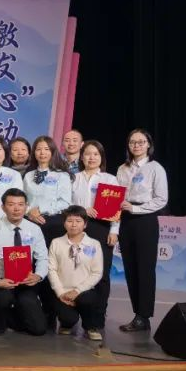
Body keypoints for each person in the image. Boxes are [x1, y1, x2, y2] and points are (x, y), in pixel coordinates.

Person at [116, 129, 168, 333]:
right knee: (130, 268)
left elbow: (161, 199)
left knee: (145, 268)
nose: (136, 145)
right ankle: (138, 315)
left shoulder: (156, 168)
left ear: (148, 145)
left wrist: (136, 209)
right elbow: (117, 195)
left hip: (145, 219)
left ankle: (144, 315)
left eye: (141, 142)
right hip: (125, 219)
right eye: (132, 142)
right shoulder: (122, 168)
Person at [0, 188, 48, 336]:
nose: (16, 209)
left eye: (20, 204)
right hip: (2, 281)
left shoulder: (34, 229)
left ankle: (14, 313)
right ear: (3, 207)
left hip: (26, 281)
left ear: (26, 206)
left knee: (38, 329)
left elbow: (43, 258)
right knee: (3, 298)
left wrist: (38, 276)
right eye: (11, 204)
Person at [72, 140, 120, 329]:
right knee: (76, 270)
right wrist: (84, 209)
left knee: (101, 273)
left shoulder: (109, 179)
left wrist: (114, 230)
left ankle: (98, 317)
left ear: (101, 157)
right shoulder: (74, 178)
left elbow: (116, 210)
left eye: (95, 154)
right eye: (87, 154)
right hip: (77, 229)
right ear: (81, 157)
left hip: (101, 229)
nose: (91, 158)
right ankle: (74, 316)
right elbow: (66, 204)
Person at [48, 205, 105, 340]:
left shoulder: (94, 244)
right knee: (68, 318)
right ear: (64, 223)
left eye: (78, 221)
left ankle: (90, 327)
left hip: (84, 291)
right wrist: (61, 293)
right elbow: (51, 270)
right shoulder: (56, 243)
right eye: (70, 221)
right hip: (63, 291)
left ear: (85, 224)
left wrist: (77, 291)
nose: (73, 225)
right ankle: (66, 324)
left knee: (88, 300)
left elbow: (97, 272)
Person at [23, 135, 73, 245]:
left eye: (46, 149)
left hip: (53, 223)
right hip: (29, 221)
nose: (42, 153)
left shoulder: (62, 175)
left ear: (52, 152)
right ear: (34, 152)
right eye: (38, 149)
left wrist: (41, 209)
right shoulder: (28, 175)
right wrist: (29, 212)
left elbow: (65, 203)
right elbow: (22, 200)